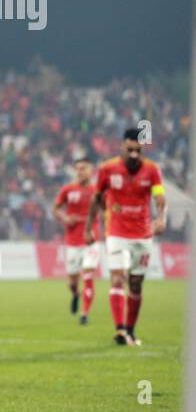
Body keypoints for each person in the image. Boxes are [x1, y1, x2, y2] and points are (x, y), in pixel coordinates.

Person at [85, 128, 166, 346]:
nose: (133, 154)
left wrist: (161, 218)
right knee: (118, 278)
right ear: (122, 146)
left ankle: (130, 330)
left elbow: (159, 197)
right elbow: (96, 198)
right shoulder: (107, 169)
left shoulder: (152, 170)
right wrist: (88, 228)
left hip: (143, 234)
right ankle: (120, 329)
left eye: (137, 150)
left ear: (142, 149)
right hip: (117, 232)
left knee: (136, 284)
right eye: (130, 149)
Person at [52, 157, 100, 326]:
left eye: (83, 168)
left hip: (91, 241)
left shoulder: (97, 190)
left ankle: (84, 314)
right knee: (72, 282)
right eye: (78, 169)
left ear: (91, 171)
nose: (80, 172)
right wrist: (65, 218)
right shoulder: (68, 189)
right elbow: (56, 209)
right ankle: (75, 294)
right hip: (72, 241)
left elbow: (108, 209)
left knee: (87, 275)